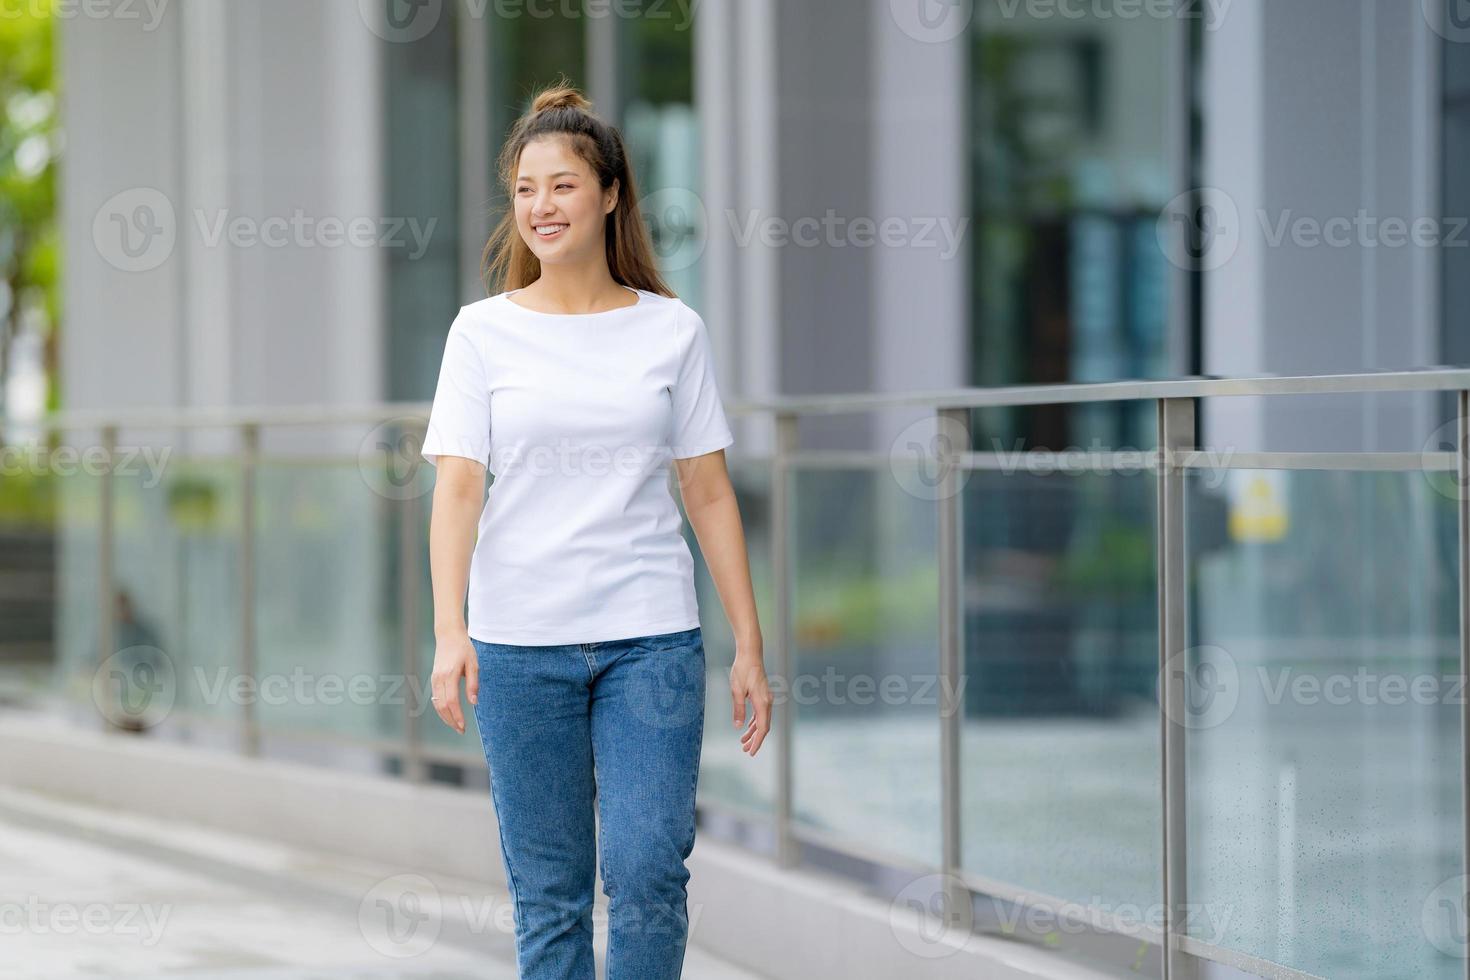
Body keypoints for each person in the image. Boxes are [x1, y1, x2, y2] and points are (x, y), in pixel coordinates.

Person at [419, 77, 772, 979]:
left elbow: (710, 492)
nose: (542, 206)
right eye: (526, 189)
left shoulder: (672, 331)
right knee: (550, 895)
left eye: (564, 185)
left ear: (610, 193)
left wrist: (748, 644)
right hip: (518, 643)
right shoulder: (481, 334)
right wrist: (449, 631)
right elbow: (459, 486)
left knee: (650, 868)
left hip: (648, 639)